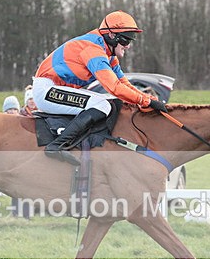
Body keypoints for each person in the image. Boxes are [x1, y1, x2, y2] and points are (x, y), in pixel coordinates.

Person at [32, 10, 164, 165]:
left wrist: (150, 99)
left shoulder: (109, 56)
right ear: (112, 36)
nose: (128, 46)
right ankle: (57, 146)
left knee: (109, 103)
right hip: (47, 90)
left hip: (57, 89)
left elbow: (124, 84)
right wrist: (144, 101)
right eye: (126, 40)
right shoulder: (93, 49)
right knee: (102, 104)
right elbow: (113, 87)